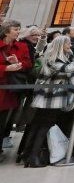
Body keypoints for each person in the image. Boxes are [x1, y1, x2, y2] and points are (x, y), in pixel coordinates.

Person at [22, 36, 74, 167]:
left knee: (43, 125)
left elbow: (72, 68)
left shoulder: (67, 57)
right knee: (42, 126)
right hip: (48, 98)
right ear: (60, 44)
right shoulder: (52, 58)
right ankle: (32, 156)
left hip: (55, 97)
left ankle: (31, 154)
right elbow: (67, 69)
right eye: (67, 43)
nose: (70, 45)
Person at [0, 19, 32, 163]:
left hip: (9, 89)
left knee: (3, 120)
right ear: (6, 31)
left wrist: (16, 63)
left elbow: (27, 63)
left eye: (19, 29)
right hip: (3, 83)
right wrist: (5, 68)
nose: (18, 32)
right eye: (15, 29)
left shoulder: (22, 46)